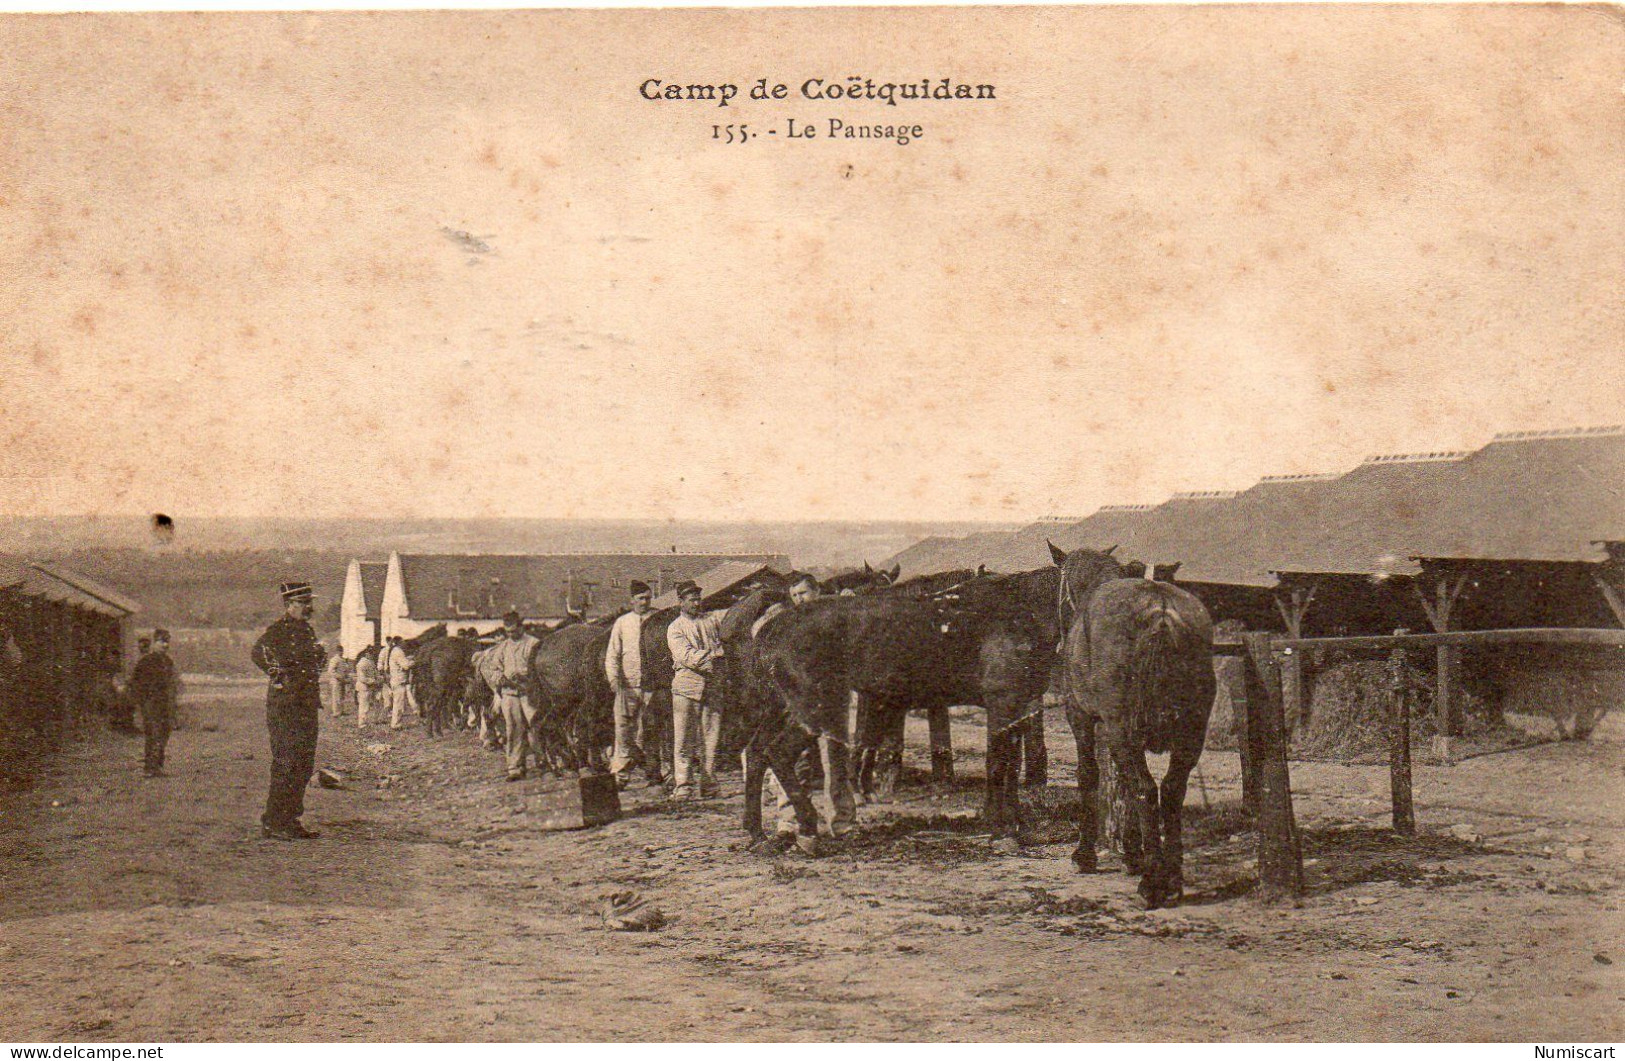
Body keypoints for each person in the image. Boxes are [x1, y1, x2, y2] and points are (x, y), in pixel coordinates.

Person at [758, 574, 858, 838]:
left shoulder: (836, 620)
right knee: (795, 760)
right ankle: (789, 820)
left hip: (832, 700)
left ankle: (843, 822)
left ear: (817, 592)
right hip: (798, 701)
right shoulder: (789, 624)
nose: (799, 600)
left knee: (835, 758)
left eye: (803, 593)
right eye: (794, 595)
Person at [251, 582, 327, 840]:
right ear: (288, 605)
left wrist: (319, 660)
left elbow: (313, 664)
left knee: (304, 764)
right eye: (303, 603)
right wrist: (276, 672)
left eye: (309, 602)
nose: (308, 608)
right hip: (285, 707)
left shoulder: (307, 631)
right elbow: (258, 652)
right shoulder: (277, 631)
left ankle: (291, 819)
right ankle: (273, 822)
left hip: (306, 705)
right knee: (286, 762)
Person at [666, 581, 726, 800]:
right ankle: (683, 785)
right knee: (683, 739)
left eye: (698, 598)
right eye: (692, 599)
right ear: (681, 602)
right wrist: (715, 658)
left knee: (711, 738)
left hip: (712, 686)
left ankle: (709, 784)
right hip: (686, 687)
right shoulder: (675, 627)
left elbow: (724, 641)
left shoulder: (711, 621)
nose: (697, 603)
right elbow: (686, 656)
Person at [604, 580, 661, 788]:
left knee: (649, 729)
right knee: (622, 730)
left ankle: (654, 772)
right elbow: (612, 655)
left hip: (651, 685)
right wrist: (614, 679)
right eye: (640, 598)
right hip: (627, 685)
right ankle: (620, 775)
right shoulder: (622, 622)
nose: (644, 602)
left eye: (647, 598)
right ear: (632, 600)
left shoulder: (657, 619)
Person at [490, 611, 540, 780]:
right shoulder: (503, 647)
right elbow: (494, 669)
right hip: (509, 694)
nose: (511, 634)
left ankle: (543, 763)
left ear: (521, 626)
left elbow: (541, 670)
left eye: (513, 630)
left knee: (536, 727)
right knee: (513, 730)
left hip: (529, 693)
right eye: (508, 631)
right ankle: (515, 767)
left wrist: (526, 678)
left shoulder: (533, 643)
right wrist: (501, 679)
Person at [130, 629, 178, 777]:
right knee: (153, 733)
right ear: (154, 643)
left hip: (165, 703)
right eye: (161, 641)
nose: (165, 645)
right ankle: (150, 767)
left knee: (164, 732)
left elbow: (172, 684)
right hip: (151, 703)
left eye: (167, 642)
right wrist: (141, 704)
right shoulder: (146, 662)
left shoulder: (168, 662)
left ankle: (157, 765)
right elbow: (136, 684)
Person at [385, 635, 414, 729]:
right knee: (398, 704)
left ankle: (396, 723)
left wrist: (408, 659)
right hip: (399, 680)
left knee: (398, 703)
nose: (404, 643)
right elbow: (406, 666)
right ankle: (396, 724)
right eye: (403, 641)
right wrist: (414, 661)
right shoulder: (399, 652)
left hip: (396, 680)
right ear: (399, 642)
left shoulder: (395, 651)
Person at [354, 644, 382, 726]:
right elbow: (362, 678)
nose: (372, 655)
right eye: (370, 653)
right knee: (364, 705)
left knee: (376, 703)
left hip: (372, 686)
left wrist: (379, 679)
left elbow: (375, 673)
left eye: (372, 653)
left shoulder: (371, 662)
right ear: (366, 653)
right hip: (364, 687)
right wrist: (374, 681)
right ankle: (362, 723)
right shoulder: (361, 663)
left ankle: (374, 720)